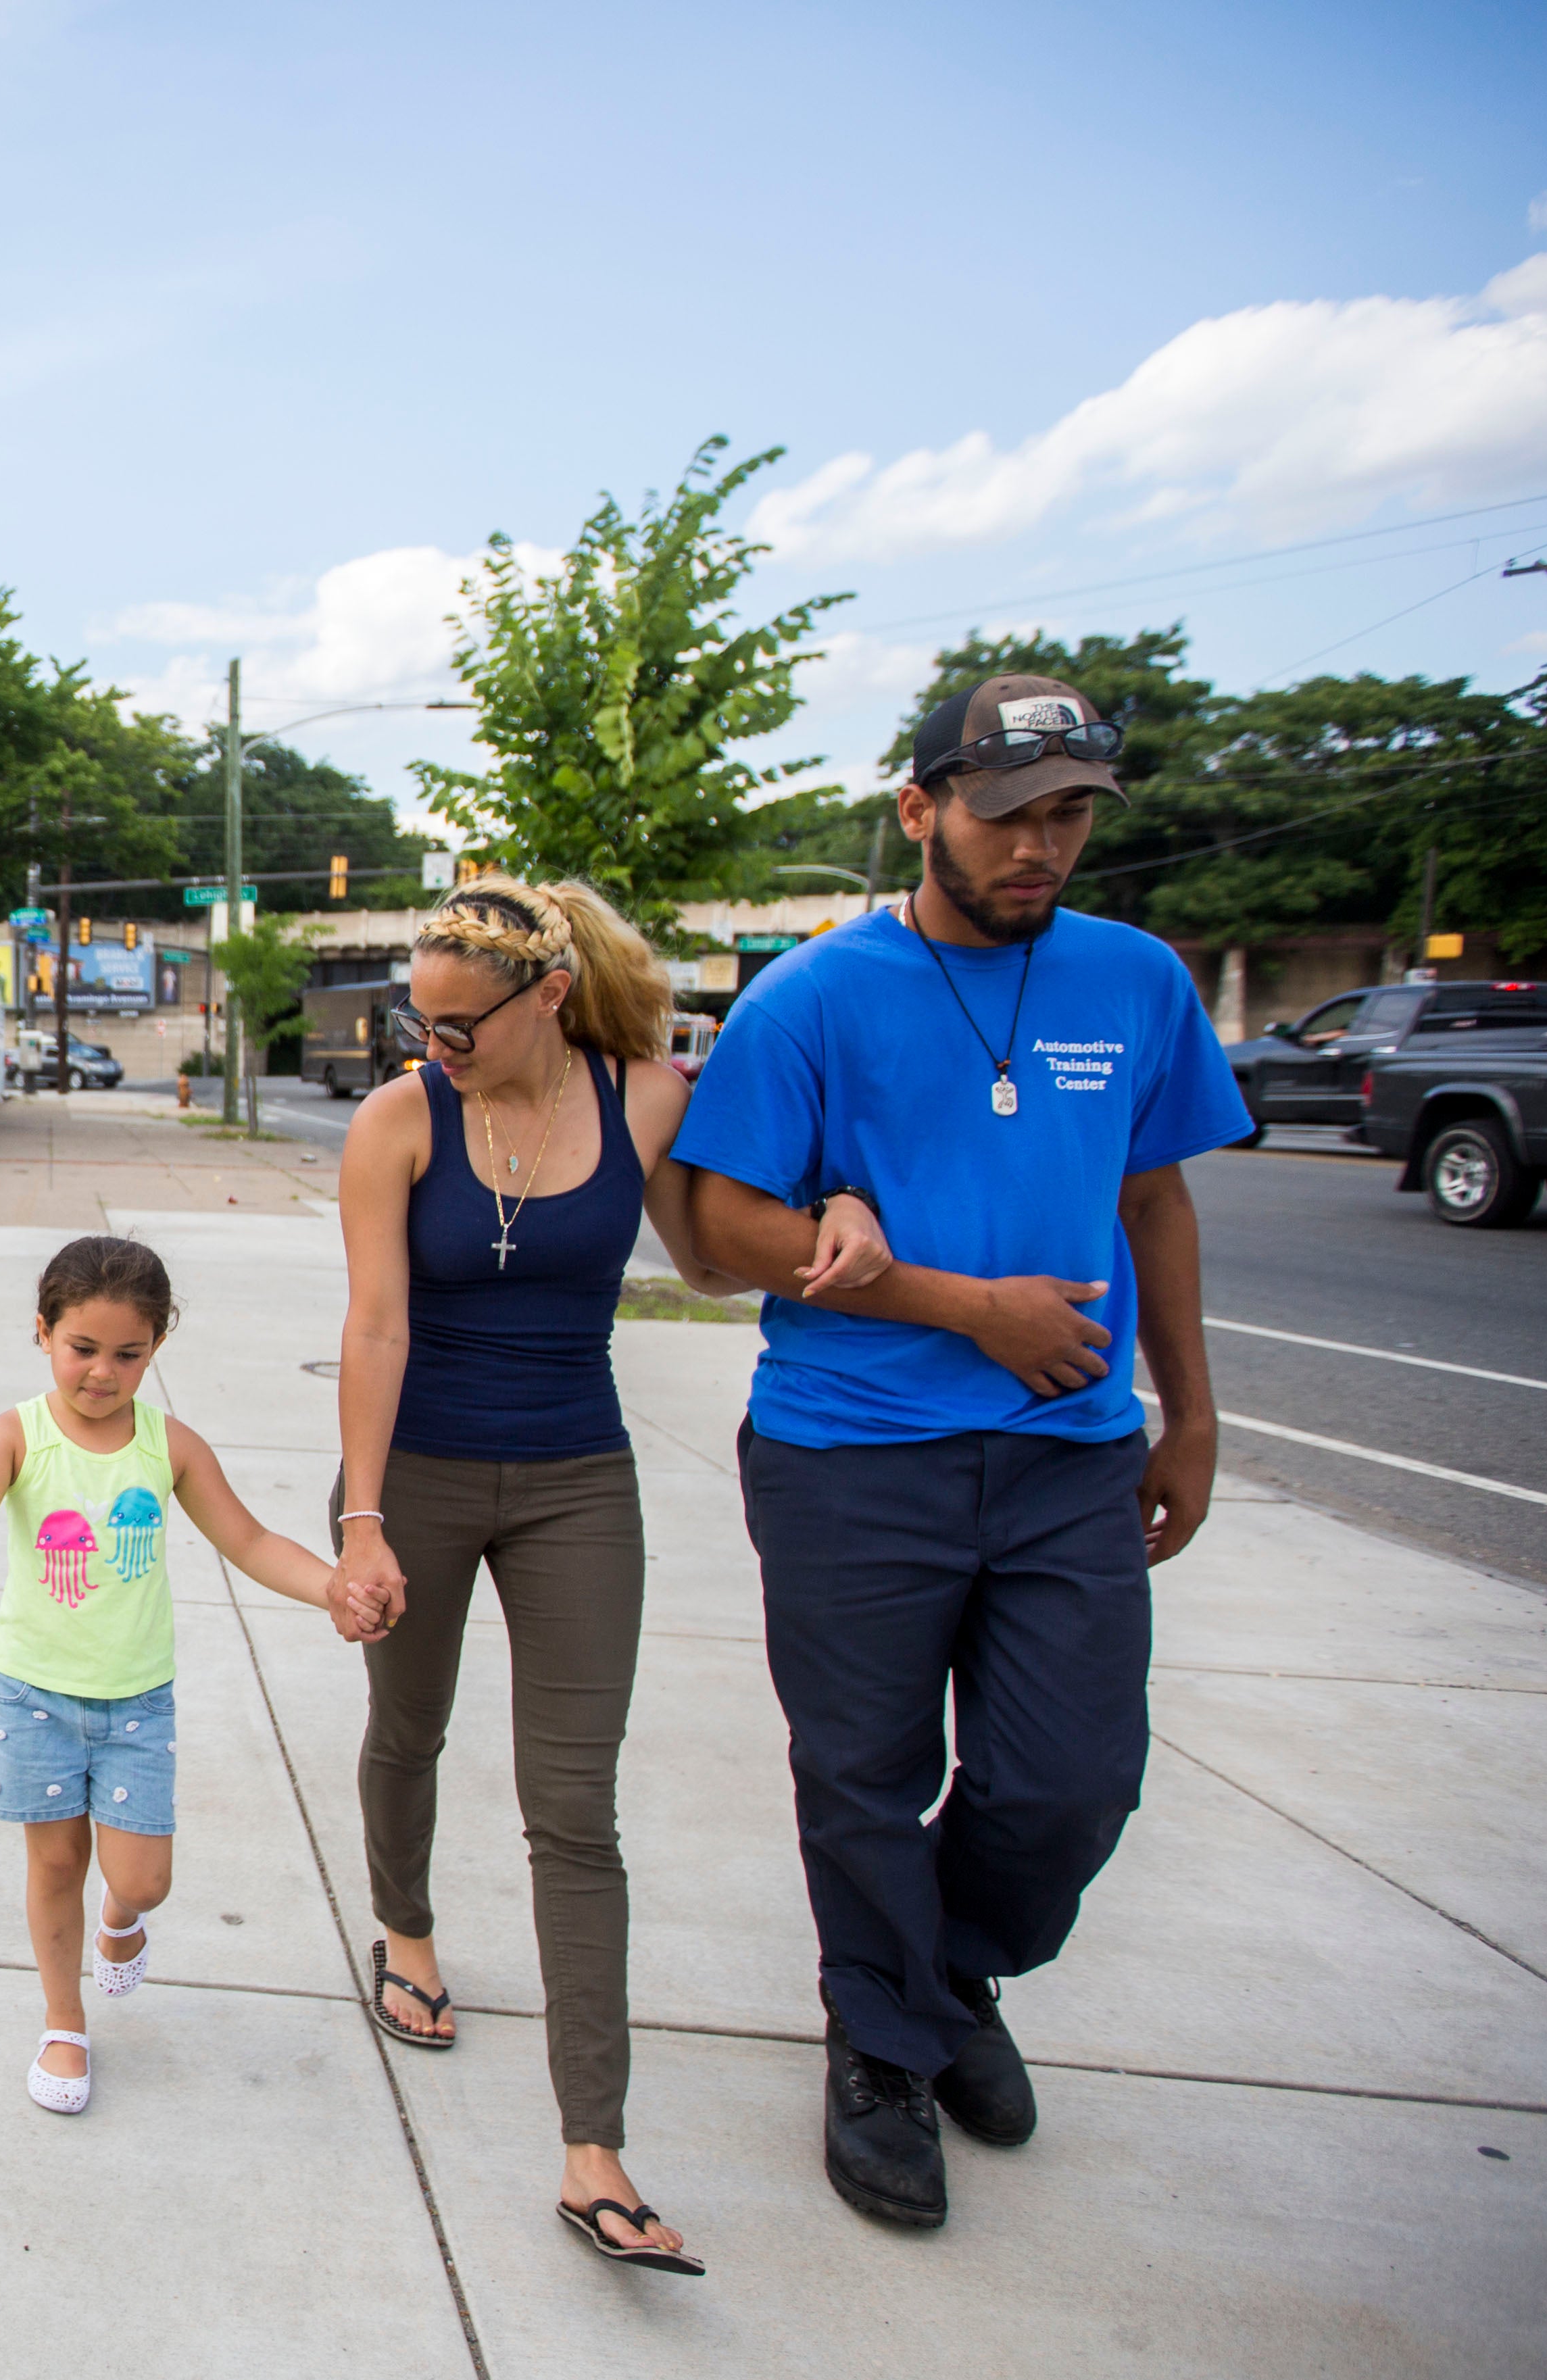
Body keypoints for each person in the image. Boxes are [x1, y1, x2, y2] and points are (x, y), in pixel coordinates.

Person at [677, 674, 1248, 2229]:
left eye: (1069, 815)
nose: (1039, 848)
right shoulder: (814, 996)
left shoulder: (1135, 982)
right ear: (923, 808)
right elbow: (722, 1224)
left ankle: (947, 1973)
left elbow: (1156, 1202)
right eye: (1008, 816)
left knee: (1070, 1784)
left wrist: (1189, 1412)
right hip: (853, 1451)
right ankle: (881, 2040)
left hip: (1071, 1449)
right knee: (863, 1772)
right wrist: (966, 1308)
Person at [327, 875, 889, 2278]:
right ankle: (406, 1931)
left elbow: (708, 1256)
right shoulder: (399, 1121)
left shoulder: (646, 1093)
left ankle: (594, 2153)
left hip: (580, 1476)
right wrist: (363, 1518)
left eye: (460, 1022)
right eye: (421, 1017)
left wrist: (842, 1204)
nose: (432, 1042)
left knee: (573, 1808)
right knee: (410, 1727)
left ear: (548, 997)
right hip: (421, 1473)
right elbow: (378, 1327)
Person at [0, 1235, 341, 2113]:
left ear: (154, 1349)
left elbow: (250, 1541)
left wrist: (332, 1587)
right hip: (32, 1691)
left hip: (137, 1697)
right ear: (42, 1332)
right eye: (82, 1348)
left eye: (126, 1353)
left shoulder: (169, 1444)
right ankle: (63, 2022)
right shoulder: (14, 1434)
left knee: (141, 1877)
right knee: (56, 1859)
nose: (101, 1372)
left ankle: (120, 1921)